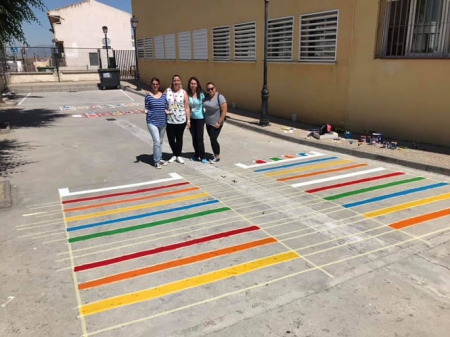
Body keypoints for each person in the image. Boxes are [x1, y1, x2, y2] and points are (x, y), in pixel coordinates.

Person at [164, 75, 190, 164]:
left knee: (179, 138)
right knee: (171, 138)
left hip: (181, 120)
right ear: (172, 82)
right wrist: (165, 110)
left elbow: (187, 108)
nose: (176, 82)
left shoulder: (184, 93)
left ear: (180, 82)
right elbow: (162, 103)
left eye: (178, 80)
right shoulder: (167, 91)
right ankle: (174, 155)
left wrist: (188, 120)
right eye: (174, 80)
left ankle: (178, 155)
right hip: (169, 120)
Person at [144, 77, 167, 169]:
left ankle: (160, 157)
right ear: (151, 85)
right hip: (152, 122)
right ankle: (156, 161)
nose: (155, 86)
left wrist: (168, 111)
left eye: (157, 84)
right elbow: (146, 107)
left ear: (159, 85)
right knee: (156, 141)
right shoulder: (148, 96)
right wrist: (145, 111)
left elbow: (165, 107)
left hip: (162, 121)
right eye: (153, 84)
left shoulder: (164, 96)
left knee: (160, 142)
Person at [203, 82, 227, 164]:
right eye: (208, 89)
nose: (210, 90)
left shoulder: (220, 97)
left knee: (213, 139)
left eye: (212, 88)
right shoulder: (206, 97)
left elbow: (224, 111)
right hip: (208, 122)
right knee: (211, 139)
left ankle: (217, 156)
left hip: (216, 123)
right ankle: (215, 154)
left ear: (215, 88)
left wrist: (219, 122)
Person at [187, 77, 207, 163]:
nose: (193, 85)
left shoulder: (202, 94)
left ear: (197, 84)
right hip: (191, 118)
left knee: (199, 138)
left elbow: (207, 104)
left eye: (194, 83)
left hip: (200, 118)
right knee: (194, 138)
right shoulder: (187, 94)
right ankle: (196, 154)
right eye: (191, 83)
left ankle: (202, 156)